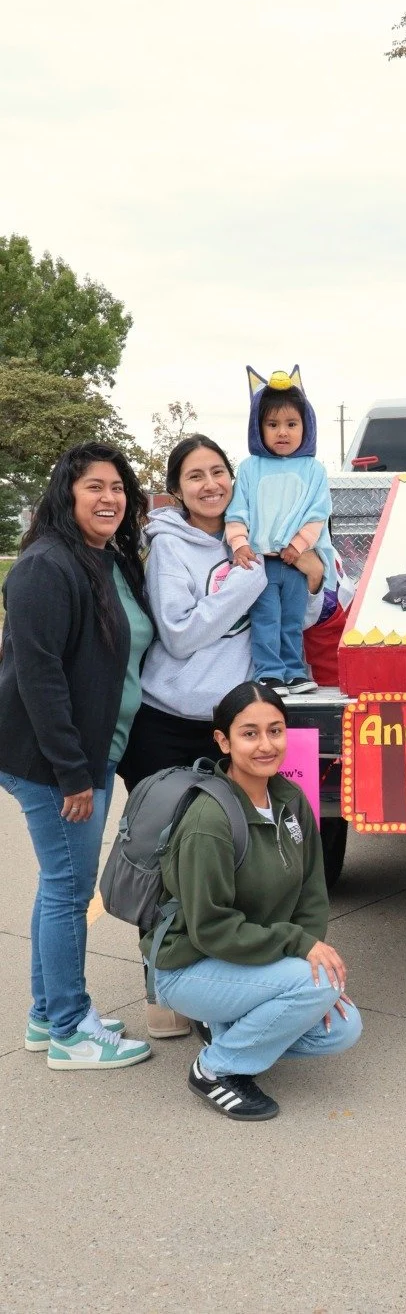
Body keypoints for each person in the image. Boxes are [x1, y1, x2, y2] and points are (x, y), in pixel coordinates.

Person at [119, 433, 328, 1039]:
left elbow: (300, 618)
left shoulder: (263, 529)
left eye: (219, 472)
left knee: (237, 859)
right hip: (167, 722)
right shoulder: (169, 547)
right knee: (163, 859)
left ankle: (226, 988)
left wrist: (310, 573)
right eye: (194, 476)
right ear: (177, 490)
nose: (210, 484)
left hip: (232, 728)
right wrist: (249, 578)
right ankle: (162, 982)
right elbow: (180, 634)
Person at [0, 443, 153, 1070]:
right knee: (68, 891)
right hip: (56, 765)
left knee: (59, 885)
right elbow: (39, 679)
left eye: (117, 487)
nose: (108, 498)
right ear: (67, 493)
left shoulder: (104, 560)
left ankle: (47, 1015)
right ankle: (70, 1030)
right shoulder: (45, 566)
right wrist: (73, 774)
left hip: (88, 756)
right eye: (94, 486)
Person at [146, 681, 361, 1121]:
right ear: (223, 741)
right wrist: (302, 959)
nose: (266, 745)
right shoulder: (209, 819)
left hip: (248, 960)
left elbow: (312, 896)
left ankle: (227, 1029)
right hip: (190, 965)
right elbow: (211, 927)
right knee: (320, 985)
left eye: (275, 731)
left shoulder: (290, 800)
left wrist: (307, 965)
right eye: (249, 733)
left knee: (342, 1029)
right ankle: (215, 1069)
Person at [225, 366, 333, 696]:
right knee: (266, 618)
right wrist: (239, 543)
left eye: (291, 424)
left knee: (293, 619)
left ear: (306, 426)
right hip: (263, 563)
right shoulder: (249, 468)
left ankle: (295, 672)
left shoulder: (314, 470)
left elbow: (318, 514)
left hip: (297, 561)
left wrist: (299, 545)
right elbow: (238, 511)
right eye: (272, 425)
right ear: (258, 428)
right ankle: (269, 673)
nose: (282, 432)